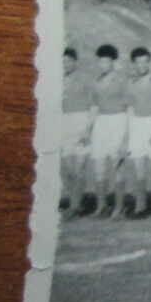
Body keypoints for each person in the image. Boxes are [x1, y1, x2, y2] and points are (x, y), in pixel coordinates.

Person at [84, 43, 130, 219]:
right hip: (101, 123)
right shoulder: (96, 82)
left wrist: (126, 135)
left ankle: (119, 207)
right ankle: (101, 206)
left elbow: (128, 108)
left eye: (106, 62)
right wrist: (88, 130)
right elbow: (94, 107)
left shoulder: (121, 81)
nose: (103, 65)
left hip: (118, 120)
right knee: (99, 165)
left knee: (117, 164)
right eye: (100, 62)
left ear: (113, 63)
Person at [124, 47, 151, 218]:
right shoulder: (131, 83)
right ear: (133, 64)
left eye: (145, 61)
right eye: (138, 62)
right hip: (137, 125)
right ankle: (140, 207)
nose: (142, 65)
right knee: (139, 169)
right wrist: (129, 133)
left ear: (150, 62)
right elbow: (129, 108)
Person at [60, 47, 92, 219]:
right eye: (63, 61)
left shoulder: (85, 80)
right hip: (63, 124)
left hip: (81, 121)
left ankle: (76, 205)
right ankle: (73, 201)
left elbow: (93, 106)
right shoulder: (56, 80)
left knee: (79, 168)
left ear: (75, 62)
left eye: (69, 61)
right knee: (67, 168)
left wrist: (87, 129)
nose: (66, 64)